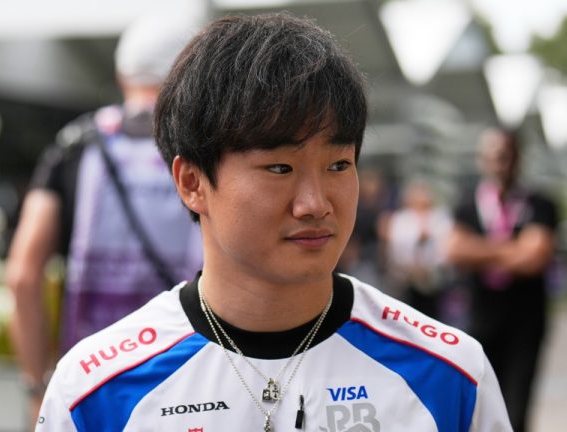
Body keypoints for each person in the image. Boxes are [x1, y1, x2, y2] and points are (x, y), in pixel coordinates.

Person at [36, 13, 511, 431]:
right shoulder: (95, 393)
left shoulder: (450, 376)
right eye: (280, 168)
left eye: (339, 165)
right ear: (192, 182)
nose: (315, 204)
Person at [4, 12, 204, 424]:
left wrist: (37, 388)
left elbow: (23, 274)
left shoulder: (76, 145)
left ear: (122, 73)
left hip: (93, 383)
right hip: (193, 377)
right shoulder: (207, 147)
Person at [446, 128, 559, 432]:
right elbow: (455, 251)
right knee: (478, 410)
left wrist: (479, 250)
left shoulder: (540, 204)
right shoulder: (466, 204)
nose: (498, 164)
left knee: (516, 410)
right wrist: (513, 248)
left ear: (518, 158)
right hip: (479, 321)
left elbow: (534, 257)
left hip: (525, 323)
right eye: (491, 156)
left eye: (504, 156)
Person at [385, 180, 453, 318]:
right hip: (407, 279)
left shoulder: (440, 217)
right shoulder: (401, 219)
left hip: (435, 279)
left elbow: (447, 246)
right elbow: (396, 249)